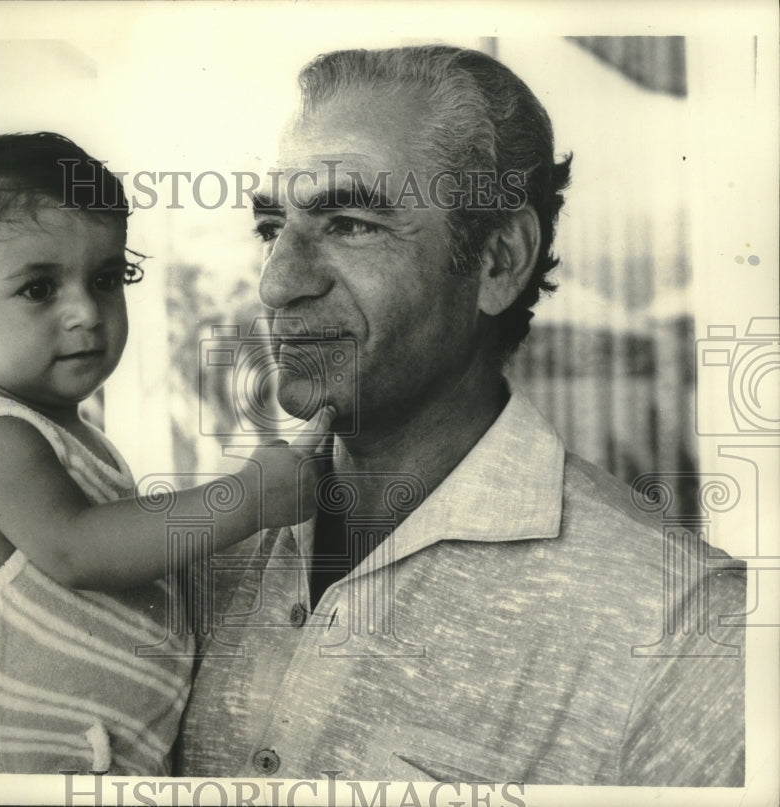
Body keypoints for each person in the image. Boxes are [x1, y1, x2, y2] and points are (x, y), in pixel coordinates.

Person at [176, 46, 745, 786]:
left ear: (500, 261)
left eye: (349, 222)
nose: (278, 280)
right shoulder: (202, 549)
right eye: (270, 228)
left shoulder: (686, 632)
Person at [0, 132, 331, 775]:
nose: (85, 313)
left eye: (104, 279)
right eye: (40, 289)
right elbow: (81, 549)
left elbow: (136, 561)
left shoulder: (75, 437)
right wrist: (243, 500)